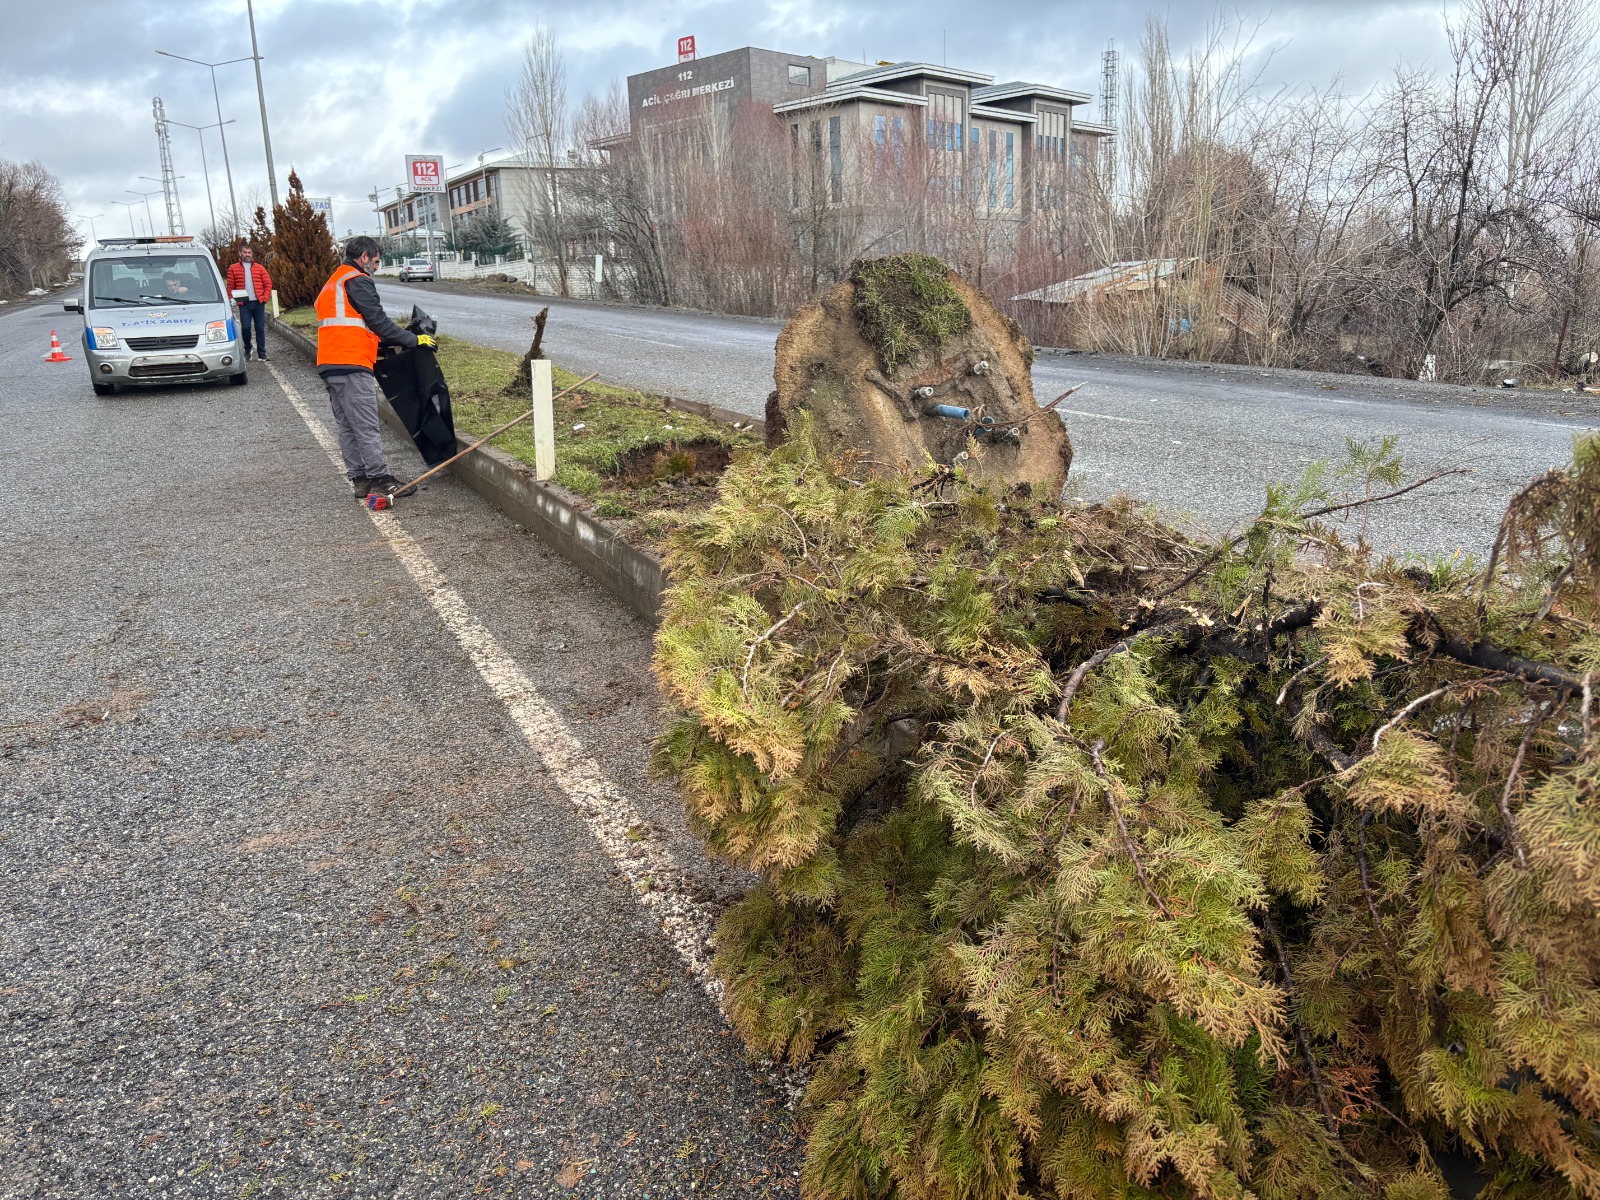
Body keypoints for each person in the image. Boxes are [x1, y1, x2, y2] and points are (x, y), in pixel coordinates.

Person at [315, 235, 436, 501]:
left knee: (347, 425)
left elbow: (351, 323)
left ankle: (360, 480)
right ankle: (381, 481)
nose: (377, 268)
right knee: (366, 425)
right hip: (351, 362)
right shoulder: (357, 280)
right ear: (365, 257)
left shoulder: (334, 281)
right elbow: (378, 322)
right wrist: (414, 339)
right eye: (377, 261)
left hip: (329, 362)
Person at [227, 246, 274, 361]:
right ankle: (248, 347)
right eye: (245, 252)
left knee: (260, 328)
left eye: (249, 252)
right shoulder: (233, 268)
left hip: (258, 303)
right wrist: (231, 302)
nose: (247, 254)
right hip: (244, 304)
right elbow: (230, 287)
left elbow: (268, 284)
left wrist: (264, 298)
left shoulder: (260, 268)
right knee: (246, 328)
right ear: (240, 253)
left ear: (252, 254)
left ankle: (262, 353)